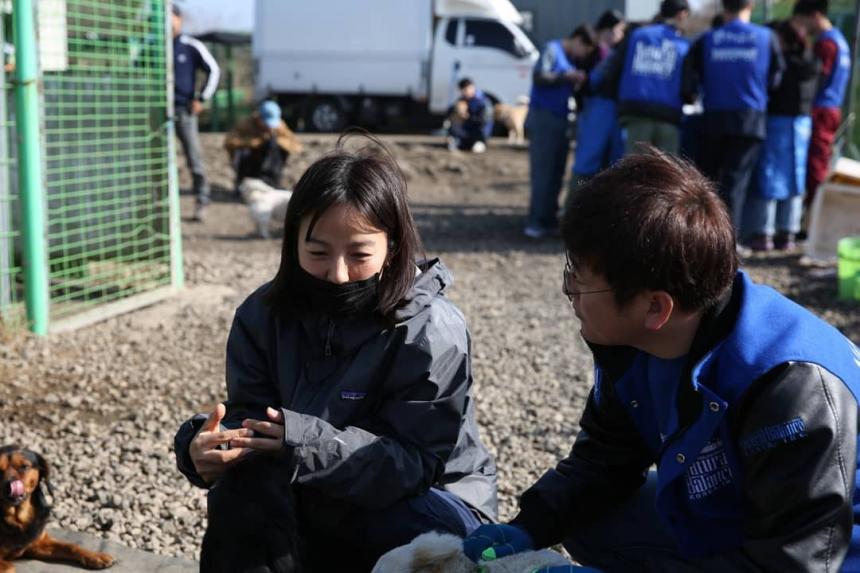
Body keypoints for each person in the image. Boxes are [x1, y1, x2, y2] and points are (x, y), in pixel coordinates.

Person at [463, 148, 860, 572]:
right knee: (588, 519)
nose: (570, 294)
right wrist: (531, 525)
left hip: (822, 560)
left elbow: (792, 563)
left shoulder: (791, 386)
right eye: (570, 271)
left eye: (581, 280)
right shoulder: (637, 345)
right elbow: (606, 457)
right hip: (737, 523)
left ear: (656, 308)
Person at [173, 138, 498, 572]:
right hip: (318, 488)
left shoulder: (431, 330)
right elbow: (251, 417)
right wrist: (201, 447)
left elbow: (416, 465)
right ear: (293, 244)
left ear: (394, 247)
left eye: (360, 254)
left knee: (398, 528)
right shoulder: (262, 314)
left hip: (425, 503)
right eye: (318, 252)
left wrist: (303, 443)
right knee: (239, 491)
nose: (338, 273)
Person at [682, 0, 784, 239]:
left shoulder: (707, 39)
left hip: (713, 118)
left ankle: (701, 239)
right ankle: (729, 243)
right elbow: (776, 78)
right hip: (750, 119)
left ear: (723, 6)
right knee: (735, 185)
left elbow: (690, 79)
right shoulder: (766, 37)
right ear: (751, 5)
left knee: (707, 184)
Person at [742, 19, 819, 252]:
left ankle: (764, 233)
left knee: (769, 178)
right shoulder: (812, 61)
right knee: (795, 178)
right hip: (802, 124)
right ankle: (788, 233)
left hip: (775, 122)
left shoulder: (781, 62)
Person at [524, 25, 596, 239]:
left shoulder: (568, 57)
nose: (583, 55)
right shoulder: (552, 49)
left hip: (561, 119)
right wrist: (567, 76)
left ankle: (548, 219)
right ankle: (535, 222)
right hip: (544, 117)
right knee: (543, 172)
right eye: (585, 49)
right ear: (577, 39)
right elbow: (539, 76)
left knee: (556, 172)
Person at [601, 0, 692, 155]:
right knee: (667, 174)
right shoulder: (683, 45)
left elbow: (612, 70)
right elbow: (688, 84)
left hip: (635, 112)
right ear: (682, 14)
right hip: (668, 116)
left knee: (635, 169)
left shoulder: (636, 35)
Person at [563, 13, 627, 216]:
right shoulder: (604, 52)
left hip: (598, 112)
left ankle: (581, 213)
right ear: (608, 30)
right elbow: (592, 82)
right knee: (588, 164)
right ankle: (573, 212)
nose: (621, 35)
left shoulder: (606, 51)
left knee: (596, 165)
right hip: (599, 111)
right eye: (619, 31)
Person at [793, 0, 851, 215]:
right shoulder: (840, 41)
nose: (804, 28)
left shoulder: (825, 44)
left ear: (815, 15)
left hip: (820, 110)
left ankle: (815, 217)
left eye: (804, 21)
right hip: (833, 108)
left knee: (815, 167)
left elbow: (814, 79)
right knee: (822, 162)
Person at [172, 4, 220, 222]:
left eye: (170, 17)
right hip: (157, 112)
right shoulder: (153, 46)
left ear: (179, 20)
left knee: (194, 158)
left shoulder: (190, 46)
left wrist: (201, 98)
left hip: (184, 111)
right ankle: (160, 204)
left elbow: (213, 70)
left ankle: (202, 200)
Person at [224, 99, 302, 194]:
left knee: (275, 144)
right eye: (266, 123)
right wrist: (255, 142)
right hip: (250, 165)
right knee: (243, 151)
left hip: (269, 166)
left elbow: (296, 145)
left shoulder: (279, 126)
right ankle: (241, 183)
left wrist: (274, 140)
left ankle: (271, 181)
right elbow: (229, 141)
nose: (269, 127)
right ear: (259, 118)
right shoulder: (247, 124)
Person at [447, 78, 494, 153]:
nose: (465, 93)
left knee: (477, 145)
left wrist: (468, 117)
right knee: (453, 124)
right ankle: (458, 142)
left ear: (472, 87)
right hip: (467, 130)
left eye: (466, 90)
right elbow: (450, 112)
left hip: (479, 132)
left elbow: (484, 120)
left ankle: (479, 143)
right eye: (462, 91)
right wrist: (455, 112)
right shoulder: (462, 100)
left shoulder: (483, 101)